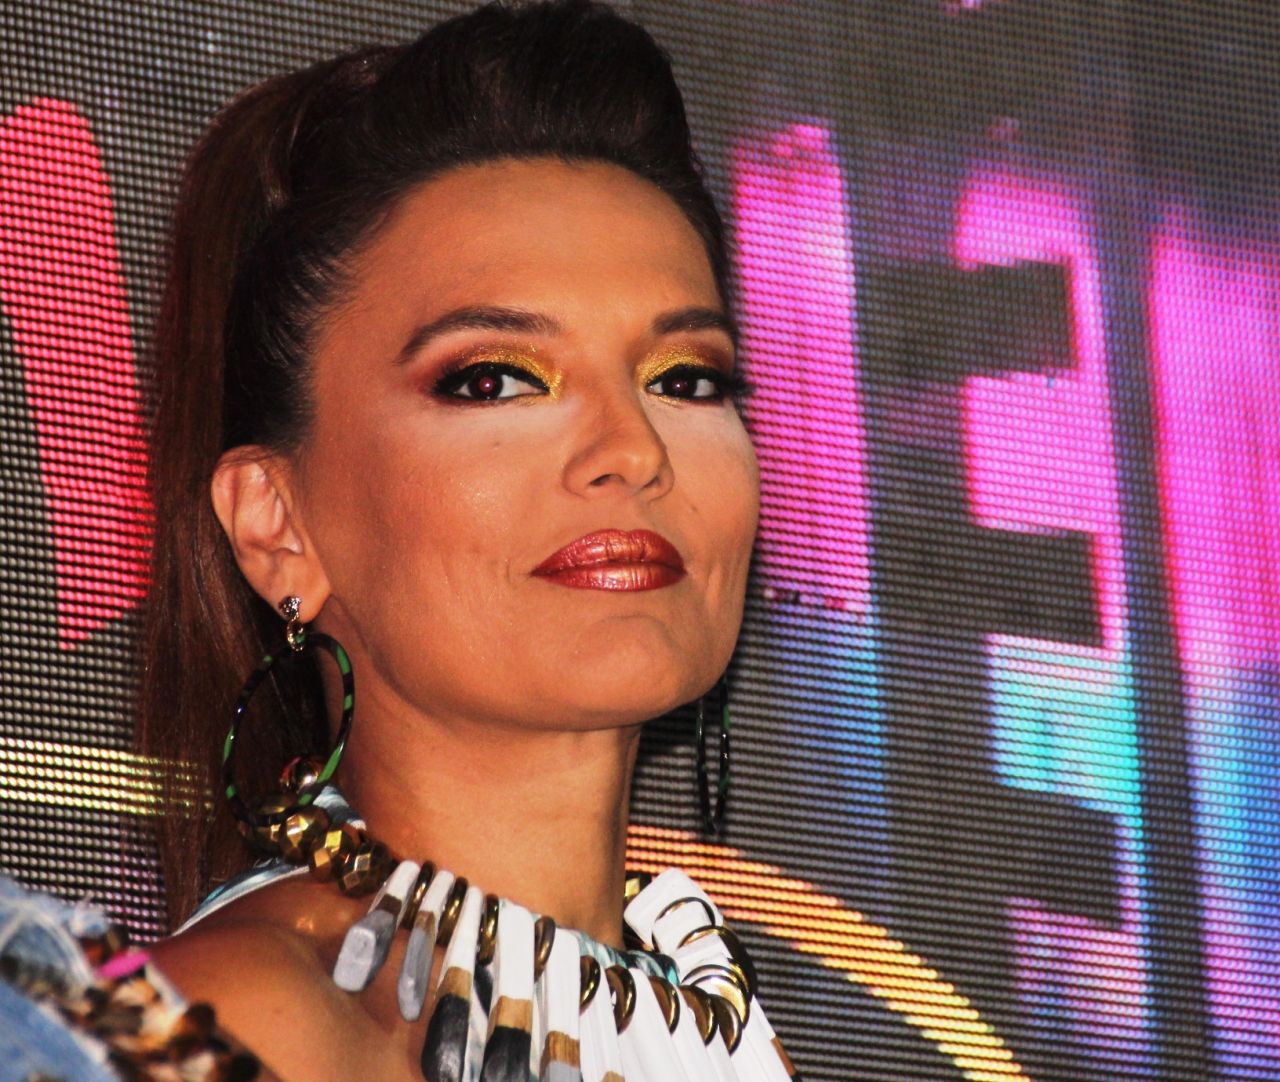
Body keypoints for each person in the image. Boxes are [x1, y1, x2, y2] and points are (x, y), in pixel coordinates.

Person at [10, 2, 794, 1079]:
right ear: (276, 525)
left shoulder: (695, 1004)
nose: (632, 449)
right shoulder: (222, 1026)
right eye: (492, 380)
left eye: (685, 379)